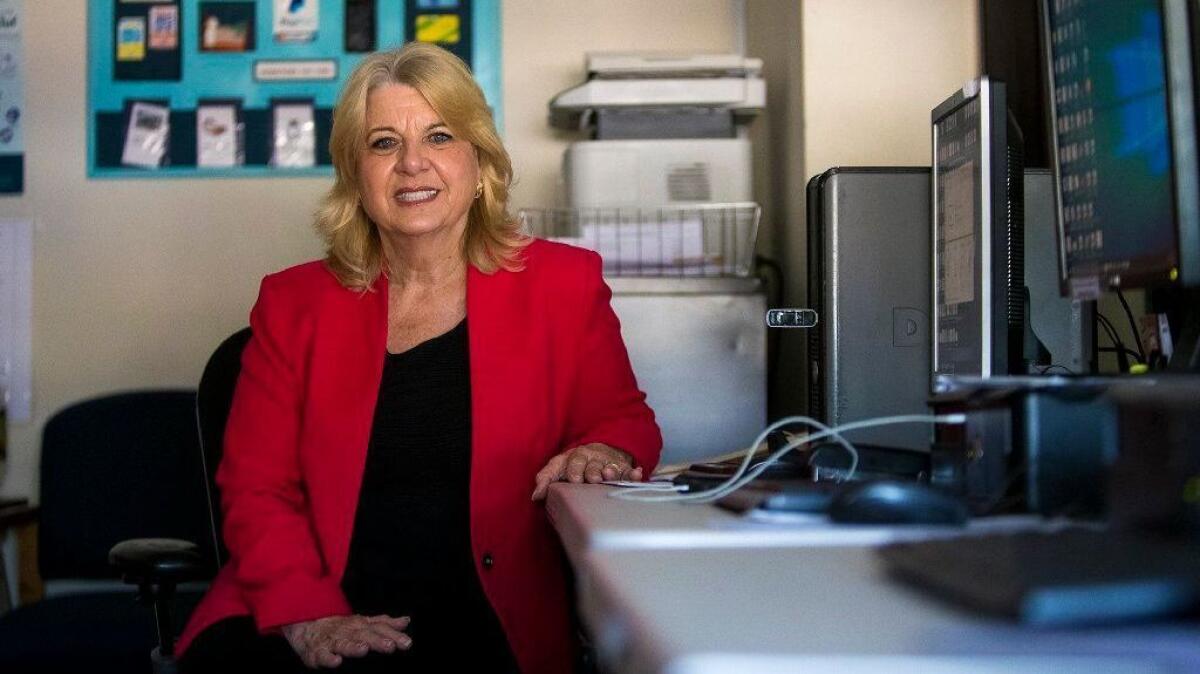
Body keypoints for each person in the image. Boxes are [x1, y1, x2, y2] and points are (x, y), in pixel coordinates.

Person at [177, 42, 662, 673]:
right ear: (356, 173)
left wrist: (606, 451)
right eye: (383, 143)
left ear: (479, 162)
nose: (412, 164)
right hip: (307, 597)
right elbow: (256, 488)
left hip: (486, 606)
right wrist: (309, 615)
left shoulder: (563, 284)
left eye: (438, 136)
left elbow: (623, 418)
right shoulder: (293, 303)